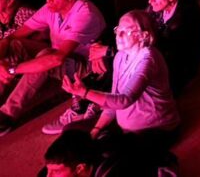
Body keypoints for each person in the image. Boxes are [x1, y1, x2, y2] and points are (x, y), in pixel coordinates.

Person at [54, 10, 179, 169]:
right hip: (125, 128)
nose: (118, 35)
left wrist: (85, 93)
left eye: (125, 31)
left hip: (155, 130)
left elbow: (124, 100)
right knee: (72, 130)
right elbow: (113, 100)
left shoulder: (148, 59)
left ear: (143, 36)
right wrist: (96, 129)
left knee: (111, 158)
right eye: (117, 30)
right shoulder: (120, 56)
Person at [0, 0, 106, 134]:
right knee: (15, 45)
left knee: (47, 55)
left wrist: (13, 70)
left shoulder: (84, 13)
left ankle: (6, 116)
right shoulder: (51, 8)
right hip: (61, 60)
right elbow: (12, 37)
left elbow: (58, 58)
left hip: (86, 69)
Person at [146, 0, 200, 95]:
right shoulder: (165, 4)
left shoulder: (182, 18)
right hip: (167, 52)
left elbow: (160, 49)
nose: (150, 1)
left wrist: (111, 51)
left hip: (181, 67)